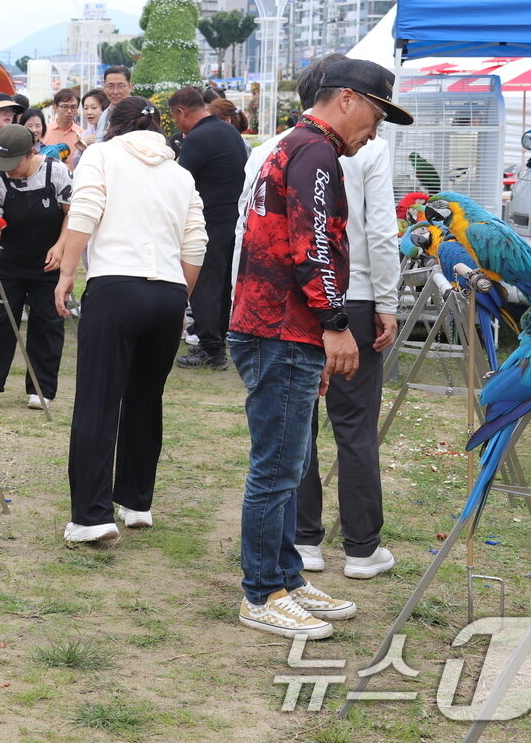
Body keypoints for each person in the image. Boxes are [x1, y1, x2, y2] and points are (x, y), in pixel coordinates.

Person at [229, 57, 412, 639]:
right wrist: (335, 324)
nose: (377, 129)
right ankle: (261, 593)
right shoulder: (316, 152)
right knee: (278, 467)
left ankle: (287, 577)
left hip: (278, 323)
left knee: (291, 460)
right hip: (280, 325)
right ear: (350, 99)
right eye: (378, 113)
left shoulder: (294, 145)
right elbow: (314, 248)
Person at [54, 95, 206, 545]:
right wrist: (179, 299)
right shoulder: (180, 173)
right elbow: (195, 243)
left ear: (112, 127)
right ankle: (137, 503)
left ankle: (92, 516)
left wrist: (66, 273)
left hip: (115, 286)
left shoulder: (100, 155)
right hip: (169, 290)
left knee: (98, 402)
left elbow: (84, 211)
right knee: (145, 399)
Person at [0, 124, 71, 411]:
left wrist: (61, 247)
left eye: (13, 163)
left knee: (48, 322)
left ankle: (41, 389)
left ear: (31, 152)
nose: (8, 169)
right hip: (9, 260)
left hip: (47, 260)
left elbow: (70, 213)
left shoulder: (56, 172)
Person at [169, 86, 248, 372]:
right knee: (223, 284)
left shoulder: (198, 137)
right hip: (233, 219)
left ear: (182, 112)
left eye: (175, 119)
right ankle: (219, 342)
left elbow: (180, 181)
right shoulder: (228, 130)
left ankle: (211, 349)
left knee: (204, 286)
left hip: (209, 221)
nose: (177, 126)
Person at [88, 66, 133, 144]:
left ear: (130, 86)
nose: (115, 91)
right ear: (104, 87)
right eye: (110, 86)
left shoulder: (139, 112)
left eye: (121, 86)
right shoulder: (105, 115)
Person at [42, 88, 83, 169]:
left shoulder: (82, 134)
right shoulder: (44, 131)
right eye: (65, 106)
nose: (69, 111)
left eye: (73, 107)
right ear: (55, 108)